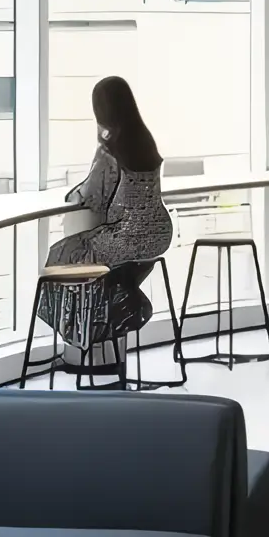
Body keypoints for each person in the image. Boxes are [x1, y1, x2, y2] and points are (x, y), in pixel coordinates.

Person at [41, 76, 174, 354]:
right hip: (160, 235)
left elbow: (92, 196)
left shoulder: (109, 149)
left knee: (62, 254)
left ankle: (83, 332)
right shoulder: (144, 141)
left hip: (128, 237)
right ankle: (123, 302)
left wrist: (72, 194)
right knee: (104, 269)